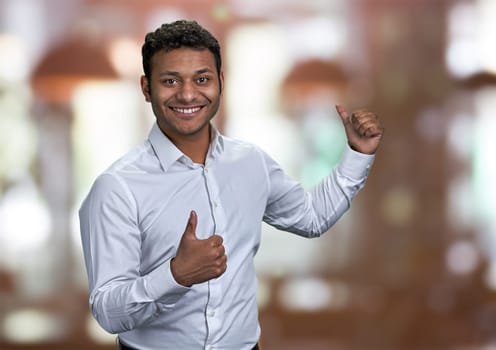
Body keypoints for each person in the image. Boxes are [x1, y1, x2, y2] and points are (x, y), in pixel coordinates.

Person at [79, 19, 384, 350]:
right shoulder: (116, 187)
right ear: (146, 87)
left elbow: (311, 218)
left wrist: (357, 154)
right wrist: (175, 275)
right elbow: (108, 313)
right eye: (170, 80)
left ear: (220, 83)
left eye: (202, 79)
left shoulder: (251, 163)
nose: (187, 93)